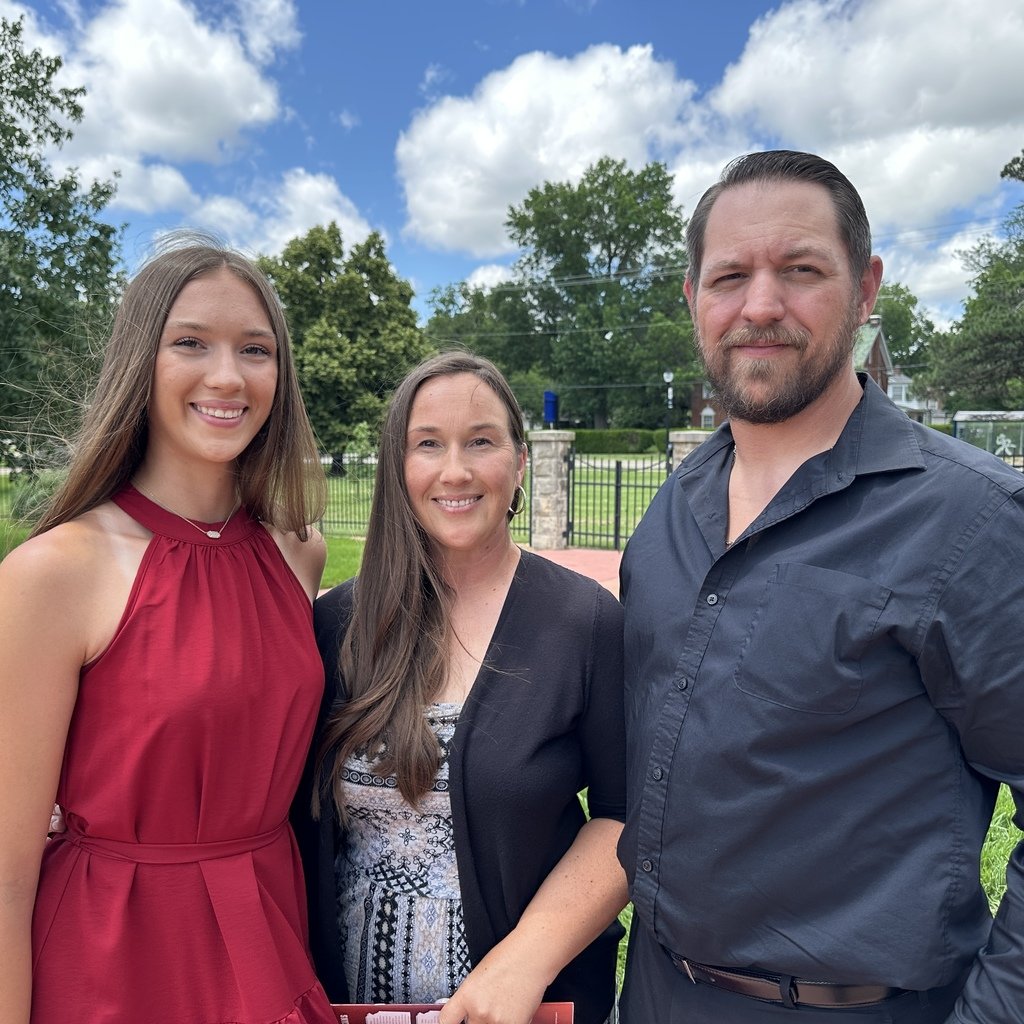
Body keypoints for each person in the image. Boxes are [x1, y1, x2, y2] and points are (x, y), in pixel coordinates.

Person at [617, 150, 1024, 1023]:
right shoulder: (670, 512)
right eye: (730, 276)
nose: (760, 305)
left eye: (800, 270)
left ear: (866, 288)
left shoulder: (973, 521)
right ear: (693, 299)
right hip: (653, 991)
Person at [0, 238, 339, 1023]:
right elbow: (7, 875)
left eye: (255, 349)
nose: (227, 377)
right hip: (110, 966)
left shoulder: (298, 551)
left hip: (267, 939)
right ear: (139, 362)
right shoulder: (55, 573)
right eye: (191, 342)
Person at [297, 351, 628, 1024]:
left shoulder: (584, 623)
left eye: (481, 441)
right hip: (345, 1004)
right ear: (397, 467)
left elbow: (627, 815)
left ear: (520, 462)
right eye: (428, 444)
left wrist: (524, 962)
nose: (455, 471)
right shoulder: (337, 626)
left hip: (528, 1006)